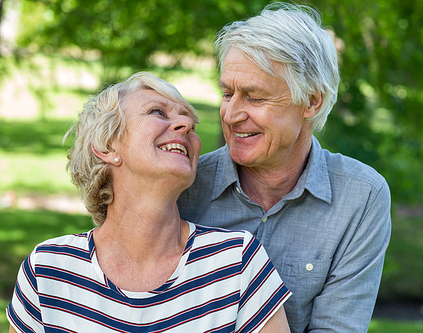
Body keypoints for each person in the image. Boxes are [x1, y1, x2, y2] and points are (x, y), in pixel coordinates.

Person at [7, 72, 291, 332]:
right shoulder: (48, 271)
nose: (187, 125)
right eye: (157, 112)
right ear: (107, 146)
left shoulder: (237, 262)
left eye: (188, 121)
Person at [178, 3, 391, 332]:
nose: (231, 115)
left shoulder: (361, 198)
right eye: (227, 93)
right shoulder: (182, 185)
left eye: (254, 97)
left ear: (311, 101)